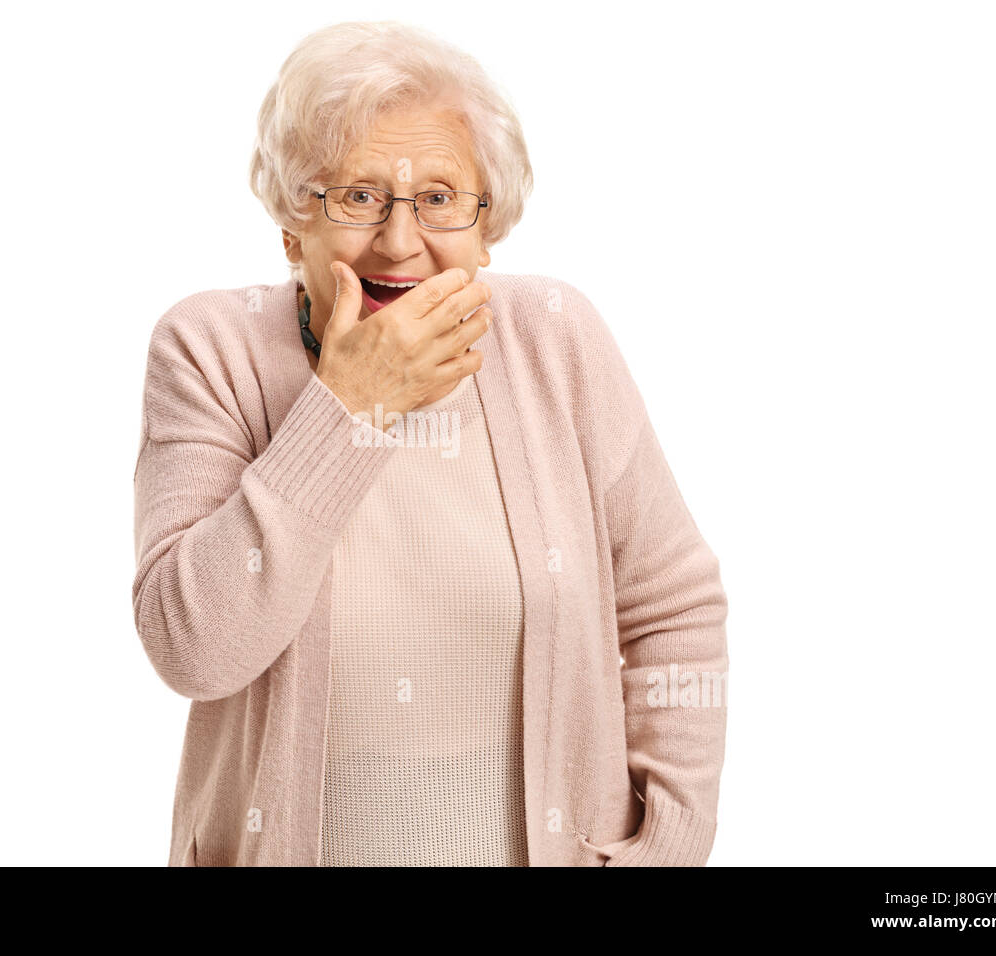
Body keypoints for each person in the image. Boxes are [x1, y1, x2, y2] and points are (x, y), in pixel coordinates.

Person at [132, 20, 729, 866]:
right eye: (357, 195)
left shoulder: (556, 341)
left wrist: (669, 843)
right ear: (291, 223)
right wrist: (351, 406)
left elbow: (674, 606)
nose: (400, 241)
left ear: (490, 226)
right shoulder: (208, 350)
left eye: (440, 198)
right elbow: (192, 648)